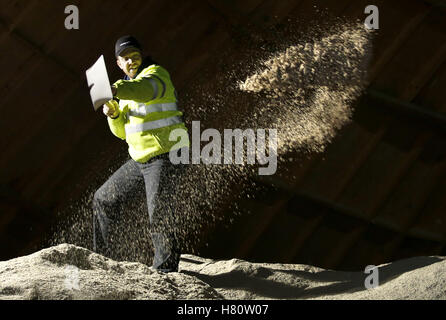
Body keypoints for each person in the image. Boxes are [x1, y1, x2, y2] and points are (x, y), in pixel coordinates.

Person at [92, 35, 190, 273]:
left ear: (141, 56)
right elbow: (123, 134)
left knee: (159, 213)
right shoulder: (124, 90)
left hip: (168, 155)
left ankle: (165, 271)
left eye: (135, 56)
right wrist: (114, 115)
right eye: (125, 58)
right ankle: (100, 261)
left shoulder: (156, 75)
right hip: (140, 159)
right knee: (102, 199)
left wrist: (115, 89)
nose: (131, 61)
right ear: (118, 63)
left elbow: (145, 91)